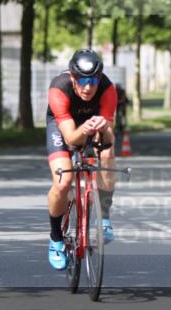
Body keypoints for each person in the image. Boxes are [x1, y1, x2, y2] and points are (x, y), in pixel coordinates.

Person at [45, 49, 118, 270]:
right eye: (83, 80)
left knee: (106, 153)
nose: (88, 86)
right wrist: (84, 130)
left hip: (93, 123)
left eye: (93, 80)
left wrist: (104, 127)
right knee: (63, 182)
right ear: (73, 78)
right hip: (63, 126)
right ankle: (56, 238)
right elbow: (71, 139)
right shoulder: (60, 88)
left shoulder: (107, 90)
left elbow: (109, 139)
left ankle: (104, 218)